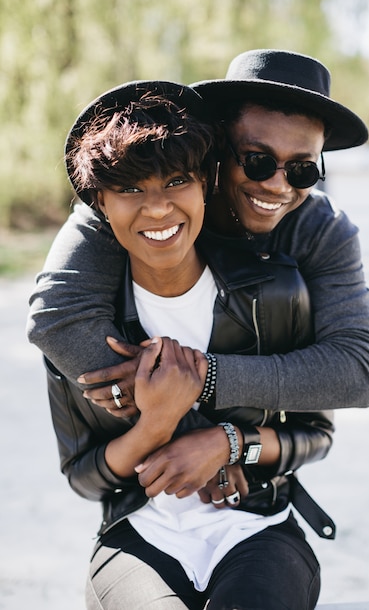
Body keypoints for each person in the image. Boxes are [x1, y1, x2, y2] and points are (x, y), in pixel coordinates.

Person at [42, 79, 334, 609]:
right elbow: (85, 480)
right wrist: (156, 422)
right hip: (139, 534)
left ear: (206, 183)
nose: (156, 209)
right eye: (130, 189)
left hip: (260, 526)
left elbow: (315, 432)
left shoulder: (274, 295)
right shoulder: (82, 322)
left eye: (176, 180)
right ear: (99, 206)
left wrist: (226, 442)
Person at [27, 49, 369, 418]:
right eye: (257, 161)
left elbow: (357, 370)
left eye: (302, 170)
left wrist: (201, 378)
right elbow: (55, 317)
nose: (278, 186)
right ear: (217, 148)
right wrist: (174, 425)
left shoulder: (323, 228)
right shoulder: (146, 206)